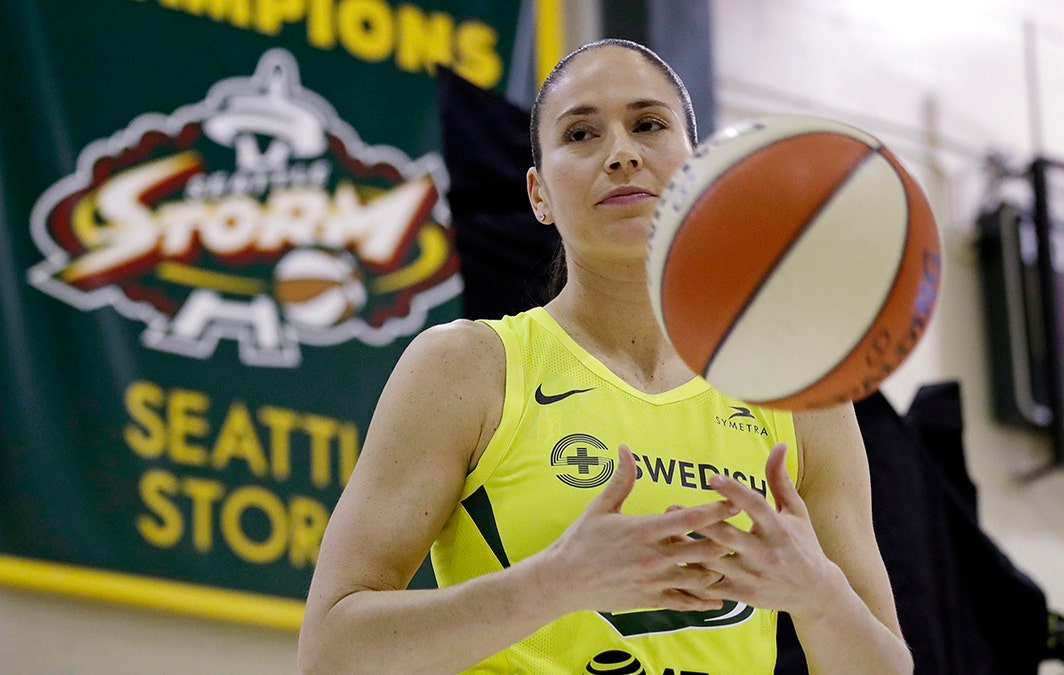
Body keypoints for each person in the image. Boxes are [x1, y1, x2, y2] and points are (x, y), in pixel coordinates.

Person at [298, 38, 912, 674]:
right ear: (538, 194)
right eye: (582, 134)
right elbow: (331, 653)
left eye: (648, 124)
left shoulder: (794, 392)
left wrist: (818, 598)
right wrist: (552, 584)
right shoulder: (467, 368)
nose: (622, 154)